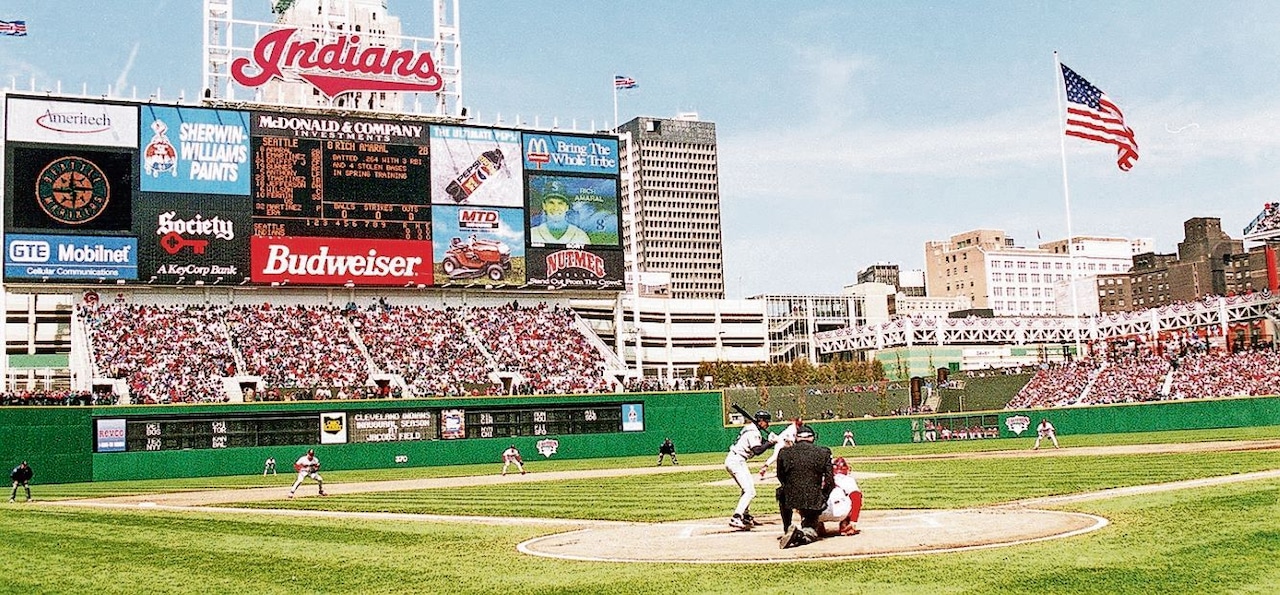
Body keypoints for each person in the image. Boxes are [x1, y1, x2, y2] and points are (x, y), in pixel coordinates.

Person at [775, 425, 834, 549]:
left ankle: (787, 527)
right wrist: (823, 496)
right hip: (813, 496)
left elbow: (780, 476)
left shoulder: (784, 452)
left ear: (797, 438)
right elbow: (829, 480)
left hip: (790, 496)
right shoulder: (824, 452)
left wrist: (789, 488)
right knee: (811, 529)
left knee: (782, 491)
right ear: (812, 438)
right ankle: (800, 534)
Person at [725, 410, 777, 529]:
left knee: (746, 489)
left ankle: (746, 515)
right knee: (750, 491)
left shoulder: (750, 429)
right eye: (766, 421)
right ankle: (736, 517)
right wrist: (770, 442)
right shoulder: (753, 432)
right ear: (760, 421)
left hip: (735, 460)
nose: (767, 424)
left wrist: (770, 441)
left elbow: (760, 443)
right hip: (737, 461)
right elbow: (757, 450)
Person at [818, 457, 863, 537]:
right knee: (855, 496)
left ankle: (814, 526)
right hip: (841, 513)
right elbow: (856, 498)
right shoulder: (848, 479)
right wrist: (854, 521)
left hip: (818, 514)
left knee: (805, 496)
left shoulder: (820, 478)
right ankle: (846, 526)